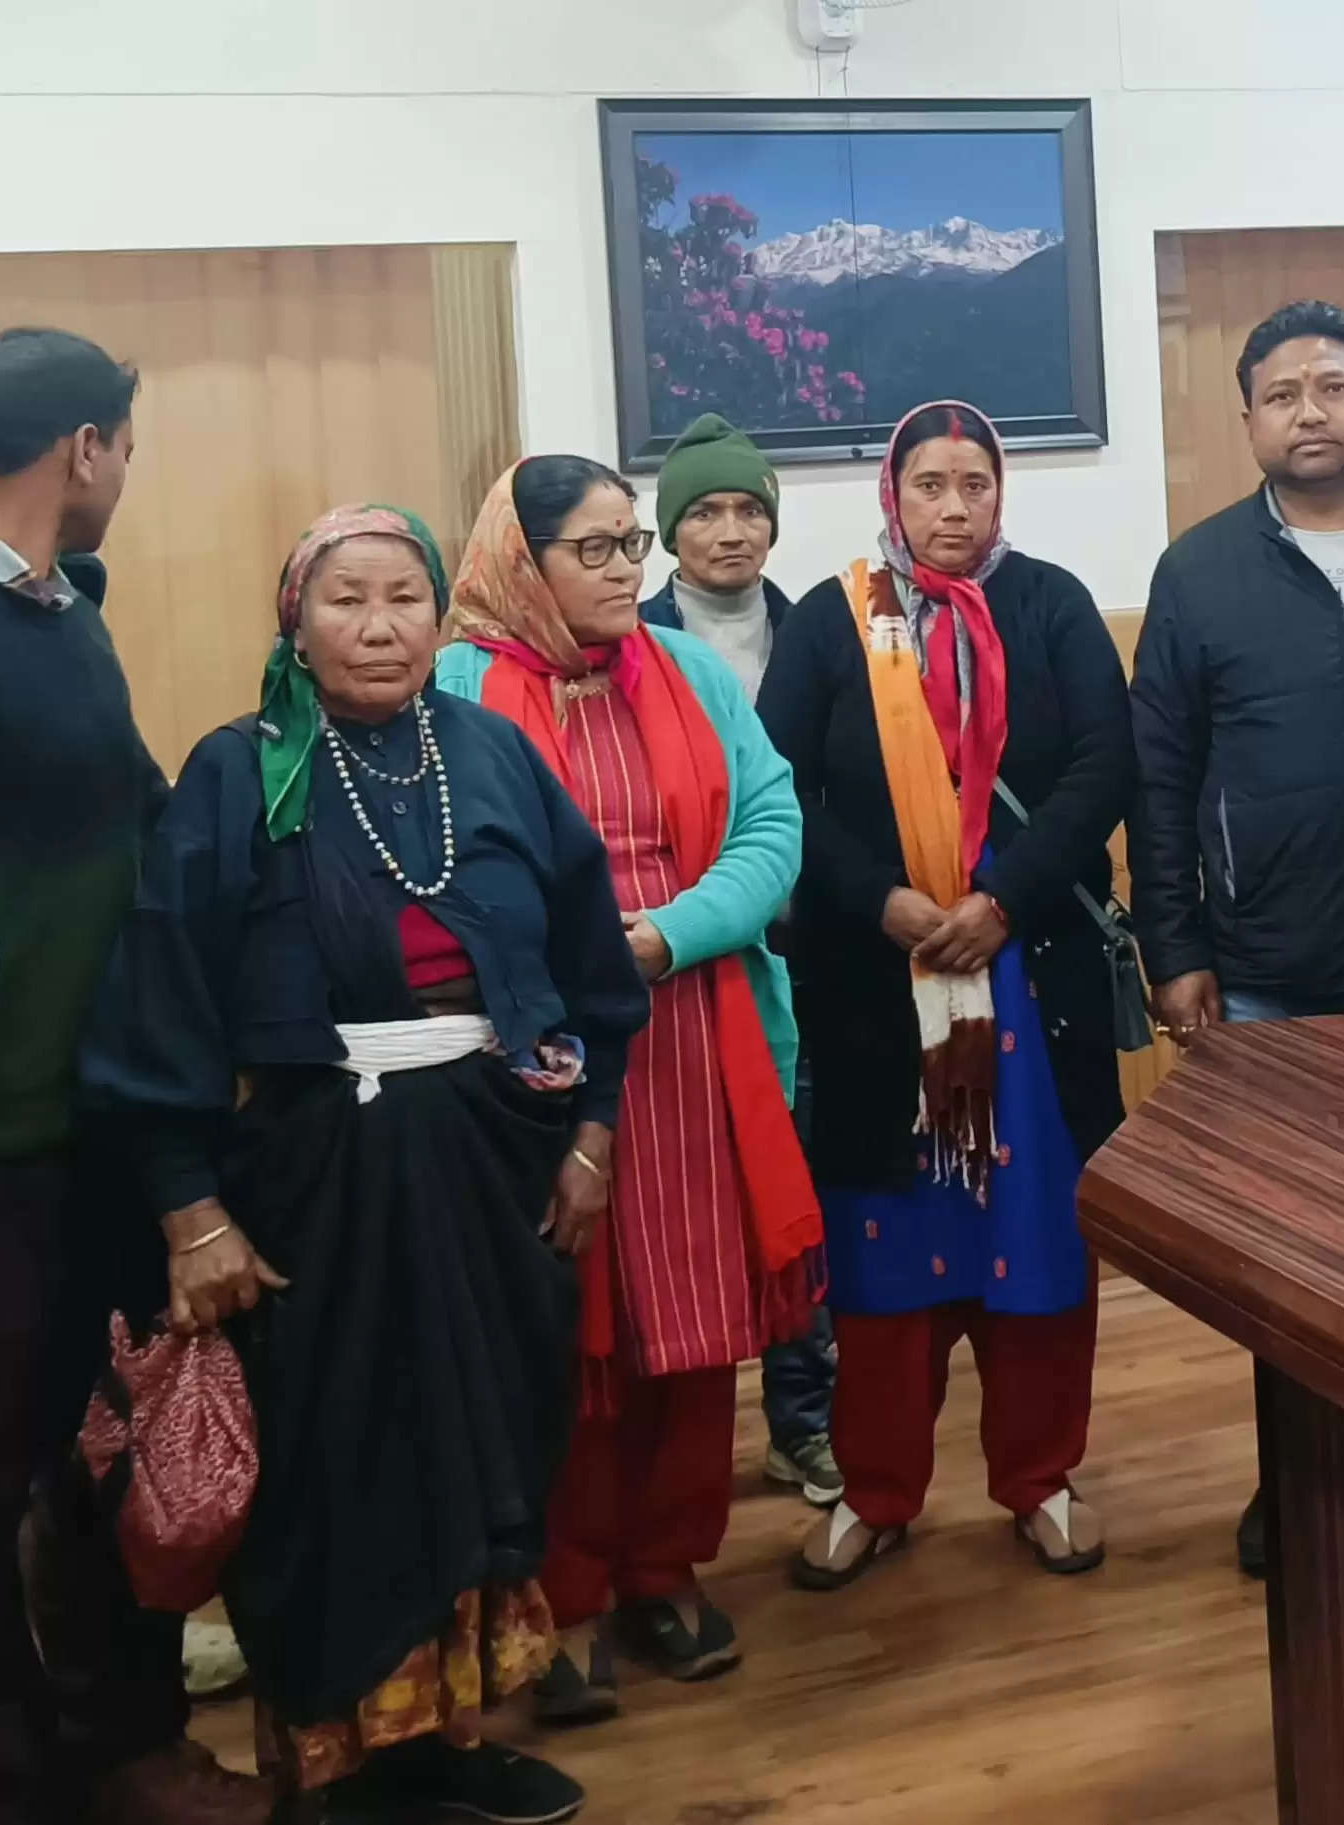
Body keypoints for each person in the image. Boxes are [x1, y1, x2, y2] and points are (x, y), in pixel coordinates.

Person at [82, 503, 644, 1824]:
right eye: (347, 600)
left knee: (490, 1439)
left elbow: (591, 965)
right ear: (296, 622)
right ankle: (339, 1766)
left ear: (442, 615)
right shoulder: (239, 771)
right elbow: (159, 1001)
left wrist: (592, 1133)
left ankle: (452, 1740)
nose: (380, 626)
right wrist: (190, 1209)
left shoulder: (493, 753)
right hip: (313, 1177)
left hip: (494, 1160)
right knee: (341, 1460)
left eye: (405, 598)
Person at [0, 329, 264, 1825]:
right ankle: (3, 1791)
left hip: (95, 1119)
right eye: (126, 448)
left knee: (105, 1463)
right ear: (87, 447)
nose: (126, 475)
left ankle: (127, 1743)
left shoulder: (60, 613)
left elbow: (120, 826)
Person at [432, 456, 817, 1721]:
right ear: (522, 561)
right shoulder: (456, 690)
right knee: (569, 1325)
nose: (623, 569)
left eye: (629, 543)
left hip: (695, 1028)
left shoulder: (689, 670)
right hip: (539, 1057)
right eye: (592, 549)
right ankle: (566, 1588)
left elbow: (771, 825)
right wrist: (579, 961)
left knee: (694, 1317)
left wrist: (667, 936)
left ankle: (665, 1564)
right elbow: (443, 876)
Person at [759, 400, 1135, 1588]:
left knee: (1039, 1236)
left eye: (975, 484)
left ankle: (1040, 1475)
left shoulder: (1052, 604)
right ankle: (877, 1489)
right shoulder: (834, 619)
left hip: (1025, 982)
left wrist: (1004, 899)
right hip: (881, 992)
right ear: (893, 494)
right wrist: (880, 901)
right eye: (930, 484)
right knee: (884, 1252)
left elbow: (1102, 767)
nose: (954, 507)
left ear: (1000, 492)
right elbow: (779, 786)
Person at [1128, 300, 1344, 1577]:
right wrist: (1175, 947)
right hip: (1270, 969)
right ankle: (1302, 1483)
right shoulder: (1197, 570)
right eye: (1282, 393)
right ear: (1248, 420)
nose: (1309, 411)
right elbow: (1160, 779)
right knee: (1293, 1257)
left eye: (1333, 386)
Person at [640, 412, 843, 1511]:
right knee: (684, 1200)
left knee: (797, 1189)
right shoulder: (629, 641)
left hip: (810, 954)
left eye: (749, 510)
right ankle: (675, 1439)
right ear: (670, 529)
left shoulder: (823, 631)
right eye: (707, 511)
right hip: (675, 965)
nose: (731, 531)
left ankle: (803, 1422)